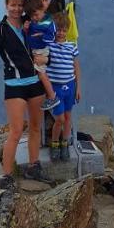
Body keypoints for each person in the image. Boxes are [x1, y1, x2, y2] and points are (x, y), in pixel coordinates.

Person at [0, 0, 44, 190]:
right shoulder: (0, 29)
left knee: (35, 127)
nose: (16, 9)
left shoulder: (29, 22)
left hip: (34, 83)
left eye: (19, 5)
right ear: (6, 5)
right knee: (16, 131)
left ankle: (34, 166)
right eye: (12, 5)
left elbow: (40, 7)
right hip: (14, 85)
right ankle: (6, 175)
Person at [48, 11, 81, 161]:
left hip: (70, 86)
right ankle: (54, 143)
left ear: (67, 30)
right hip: (55, 88)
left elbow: (76, 67)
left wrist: (78, 87)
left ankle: (64, 144)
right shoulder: (49, 46)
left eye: (63, 30)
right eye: (58, 30)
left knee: (68, 117)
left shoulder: (72, 47)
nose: (61, 33)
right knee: (59, 119)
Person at [21, 0, 60, 111]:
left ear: (42, 10)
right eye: (32, 16)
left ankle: (52, 97)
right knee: (40, 74)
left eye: (36, 15)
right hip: (35, 51)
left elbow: (52, 37)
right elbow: (28, 36)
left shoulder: (49, 23)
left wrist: (42, 36)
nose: (34, 18)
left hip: (42, 51)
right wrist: (26, 29)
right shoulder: (35, 21)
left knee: (42, 75)